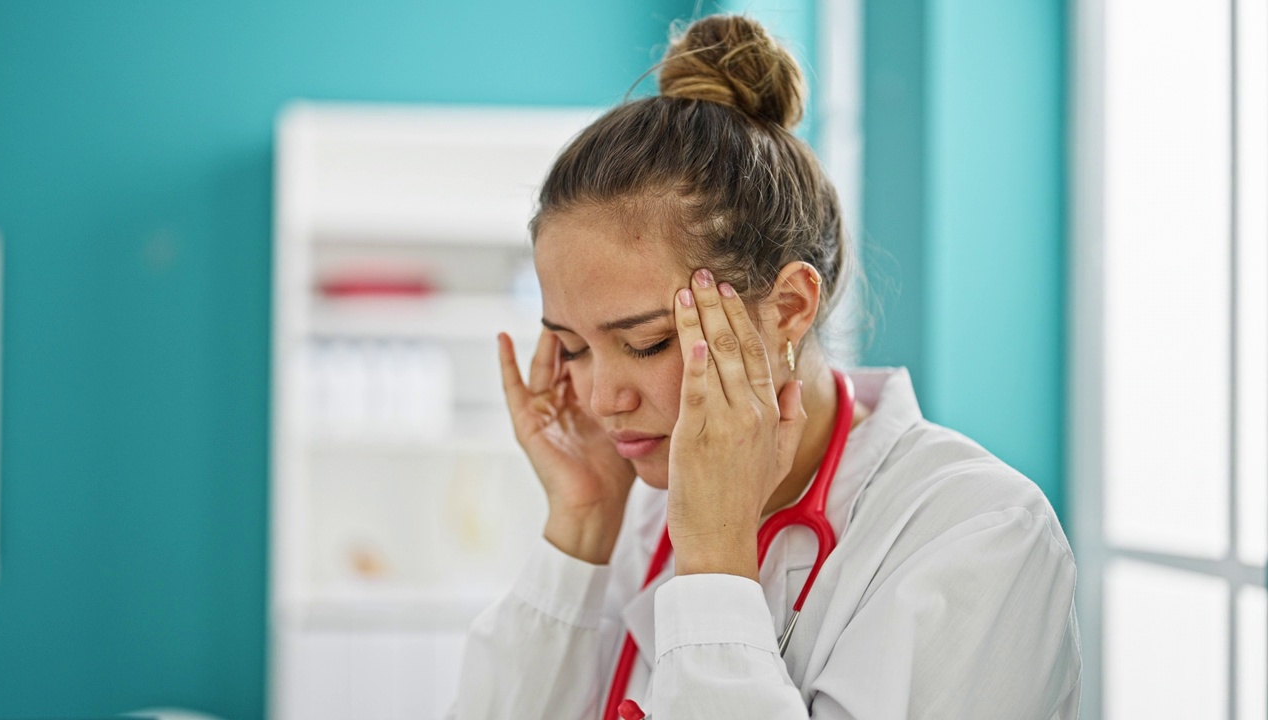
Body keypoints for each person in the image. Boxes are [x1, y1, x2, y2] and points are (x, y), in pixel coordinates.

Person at [450, 14, 1080, 719]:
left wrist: (716, 562)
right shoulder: (637, 517)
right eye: (572, 348)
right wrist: (584, 523)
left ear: (787, 307)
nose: (600, 400)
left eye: (648, 342)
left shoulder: (977, 532)